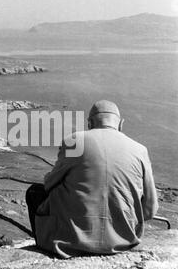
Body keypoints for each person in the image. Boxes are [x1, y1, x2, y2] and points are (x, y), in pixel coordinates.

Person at [26, 100, 158, 258]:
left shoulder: (75, 141)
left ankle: (44, 244)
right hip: (122, 242)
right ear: (121, 124)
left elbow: (48, 185)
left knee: (35, 192)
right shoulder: (140, 150)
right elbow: (150, 208)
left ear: (89, 123)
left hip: (70, 242)